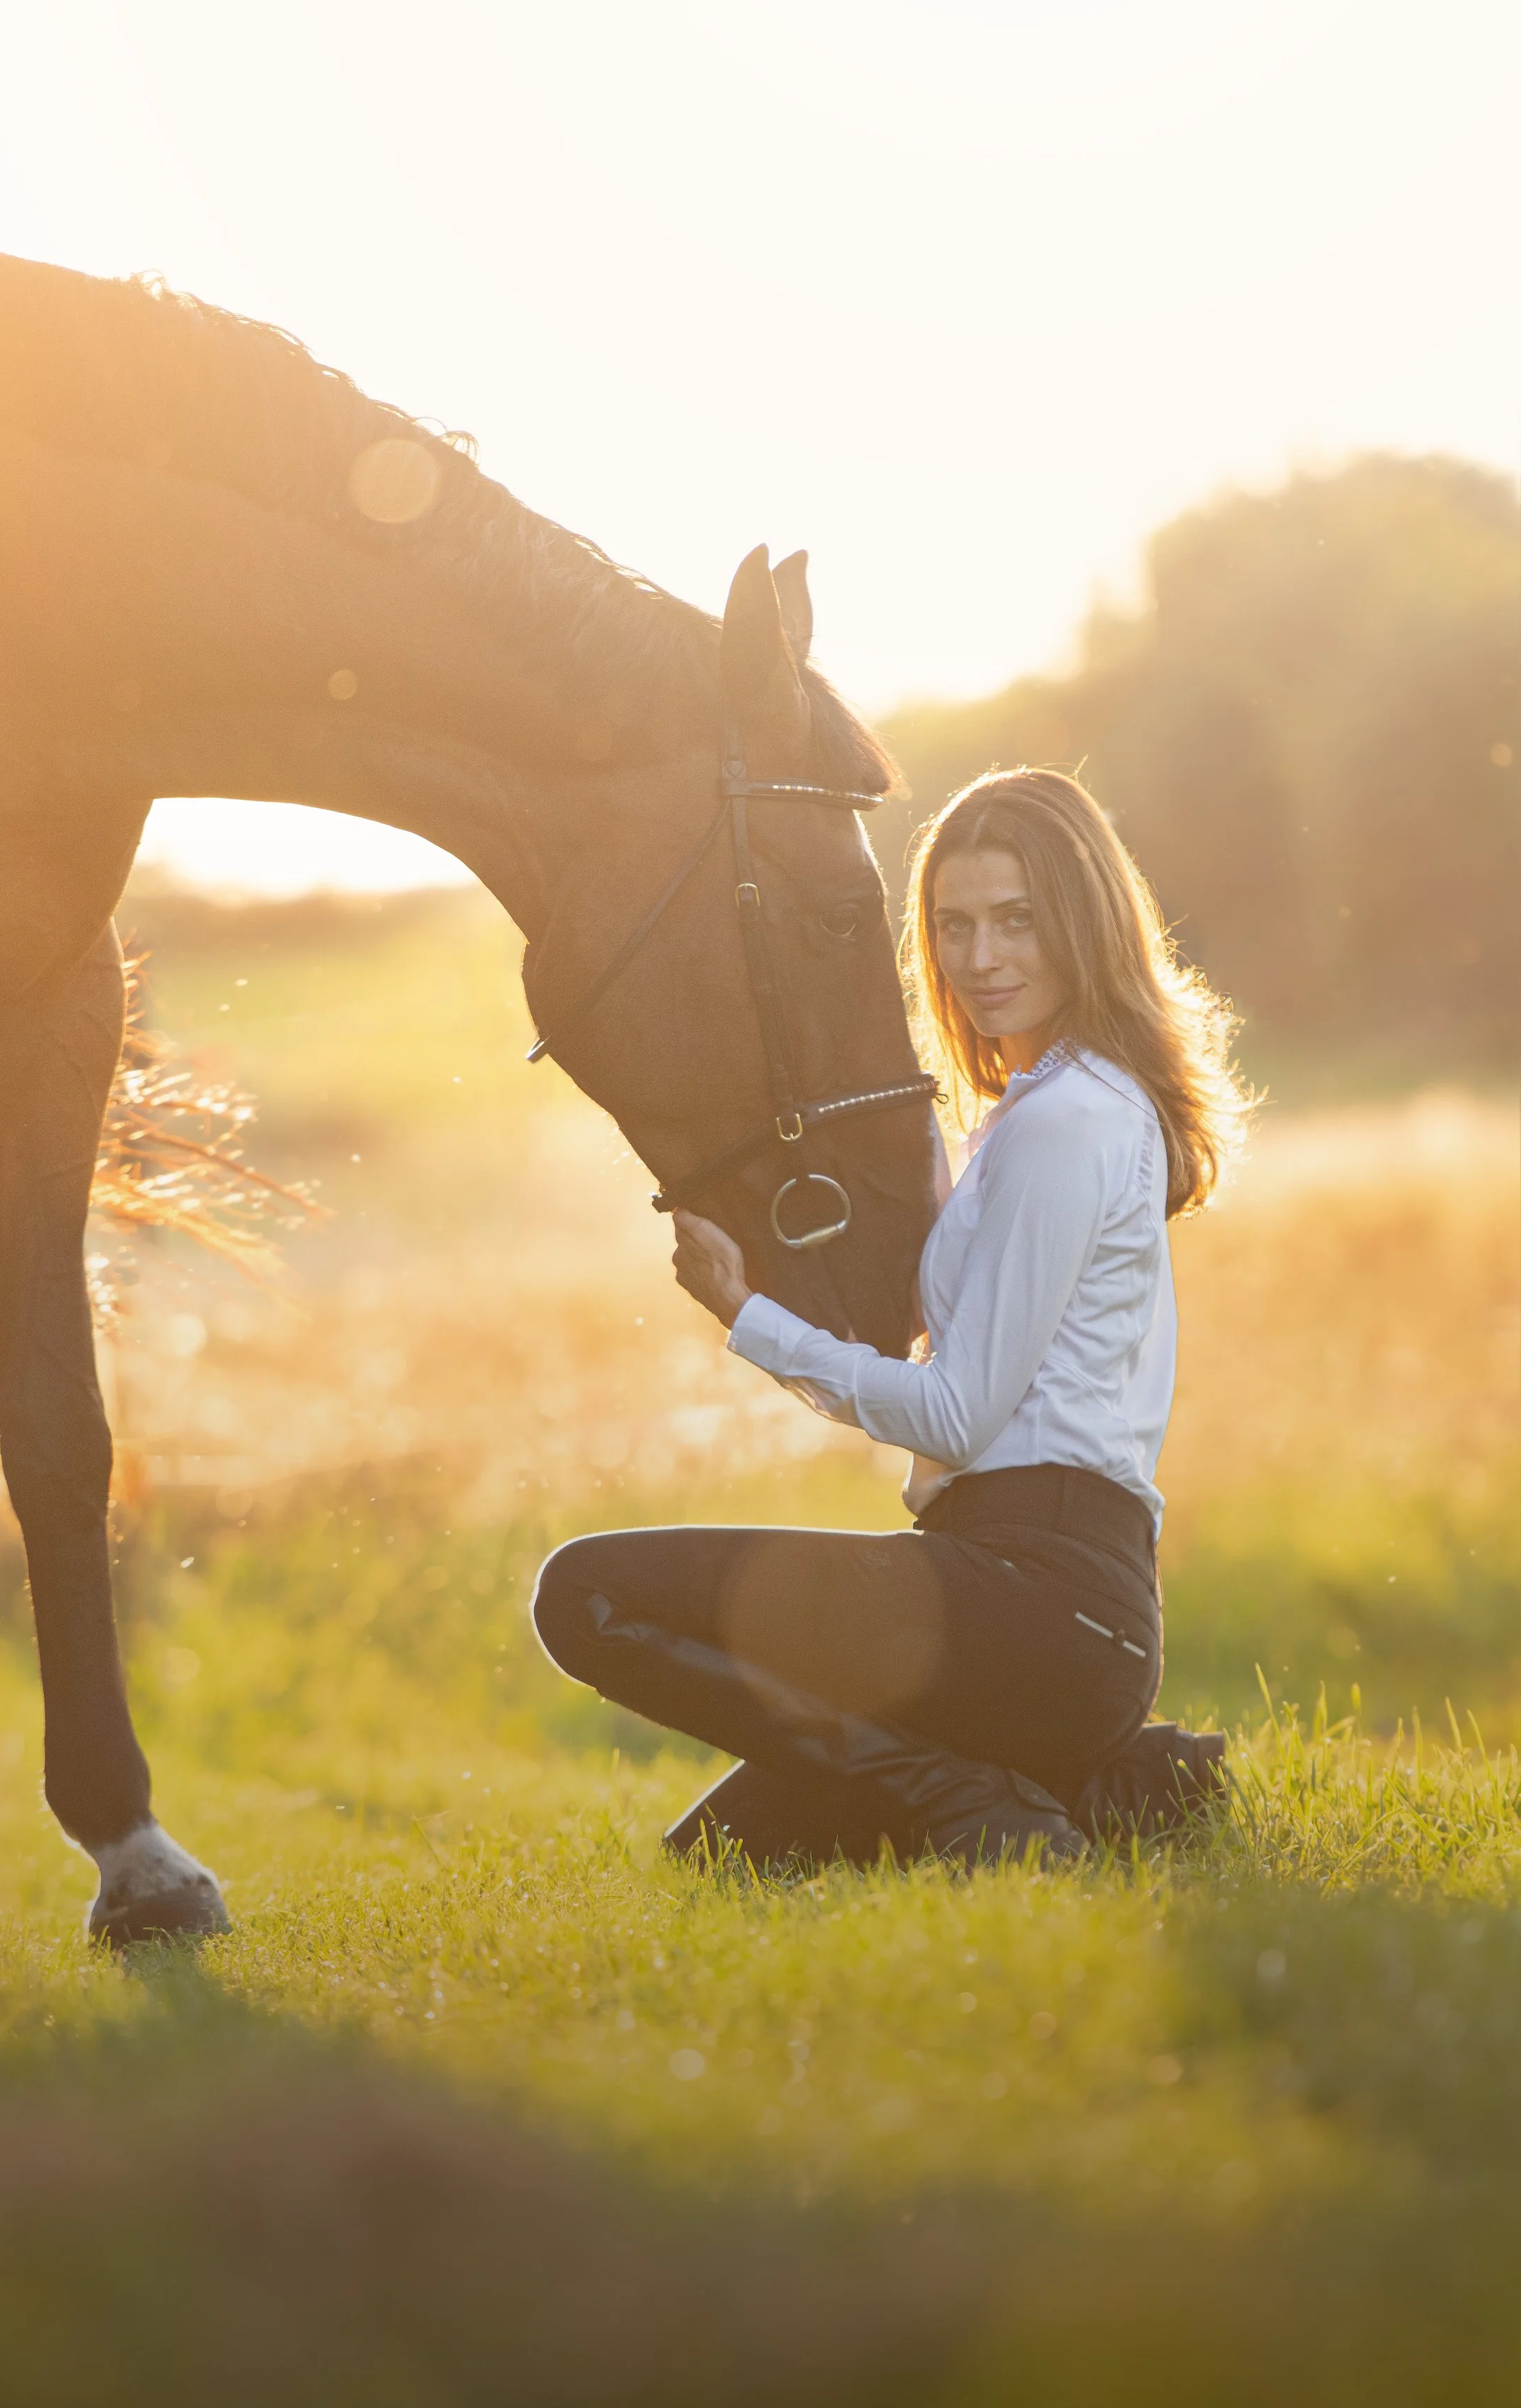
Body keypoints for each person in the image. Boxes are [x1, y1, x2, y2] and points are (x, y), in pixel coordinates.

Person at [532, 768, 1248, 1867]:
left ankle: (971, 1800)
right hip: (1016, 1606)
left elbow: (957, 1415)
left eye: (1018, 920)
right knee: (720, 1856)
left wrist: (747, 1312)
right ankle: (1117, 1781)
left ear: (1083, 922)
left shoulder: (1070, 1119)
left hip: (1041, 1601)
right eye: (954, 926)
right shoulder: (1036, 1111)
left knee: (584, 1595)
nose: (981, 958)